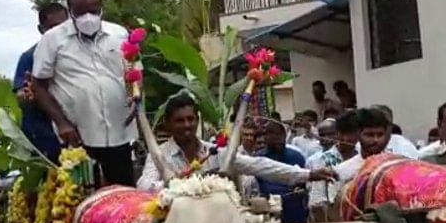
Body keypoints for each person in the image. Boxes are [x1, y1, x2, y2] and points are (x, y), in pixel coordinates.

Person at [32, 0, 137, 186]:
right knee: (80, 197)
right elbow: (38, 85)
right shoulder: (52, 40)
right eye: (80, 13)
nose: (88, 18)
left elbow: (132, 72)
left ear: (101, 9)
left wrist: (135, 99)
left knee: (124, 194)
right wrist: (61, 123)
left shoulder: (119, 34)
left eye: (93, 11)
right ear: (70, 12)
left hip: (118, 132)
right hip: (78, 136)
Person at [136, 93, 337, 192]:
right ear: (168, 124)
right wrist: (176, 183)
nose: (187, 125)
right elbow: (144, 186)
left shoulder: (214, 152)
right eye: (180, 120)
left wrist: (308, 174)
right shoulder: (160, 156)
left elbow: (260, 165)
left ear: (197, 120)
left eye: (191, 119)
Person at [308, 108, 392, 215]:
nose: (376, 140)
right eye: (370, 135)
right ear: (359, 135)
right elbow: (321, 206)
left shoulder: (395, 165)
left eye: (380, 135)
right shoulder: (342, 171)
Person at [13, 3, 68, 163]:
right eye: (53, 27)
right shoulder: (30, 57)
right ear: (41, 29)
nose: (58, 33)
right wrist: (30, 93)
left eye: (63, 26)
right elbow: (20, 95)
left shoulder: (76, 54)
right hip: (44, 140)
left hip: (76, 137)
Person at [307, 111, 359, 222]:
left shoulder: (363, 157)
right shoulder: (323, 160)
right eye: (342, 134)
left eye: (351, 134)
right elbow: (317, 203)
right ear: (337, 134)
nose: (346, 139)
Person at [257, 122, 308, 223]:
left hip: (295, 213)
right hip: (269, 214)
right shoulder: (259, 160)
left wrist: (301, 190)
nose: (279, 144)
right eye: (274, 142)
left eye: (281, 141)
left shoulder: (297, 157)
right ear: (266, 139)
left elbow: (305, 185)